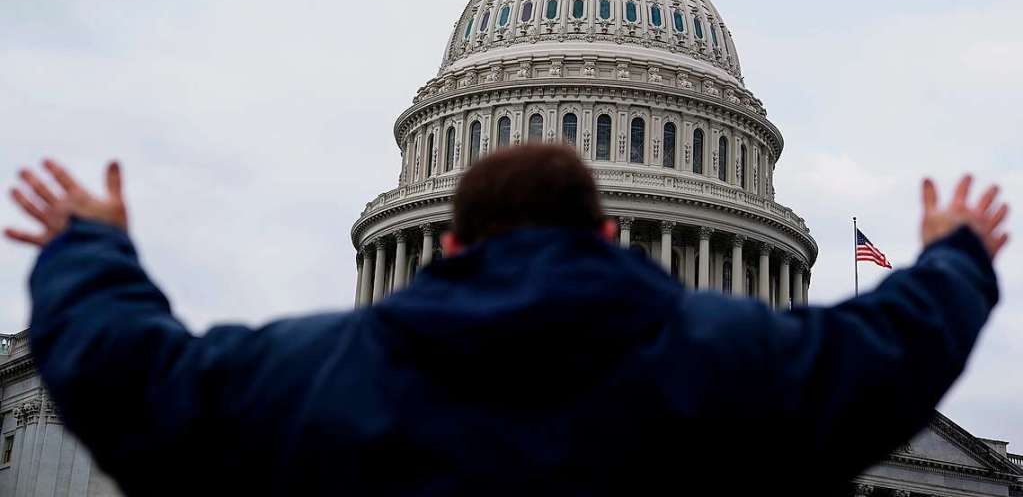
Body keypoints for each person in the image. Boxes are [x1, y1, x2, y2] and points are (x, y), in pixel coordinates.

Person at [3, 145, 1010, 496]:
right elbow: (885, 350)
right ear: (608, 230)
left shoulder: (314, 373)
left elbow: (138, 378)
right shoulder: (730, 366)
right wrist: (957, 254)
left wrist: (90, 248)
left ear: (446, 239)